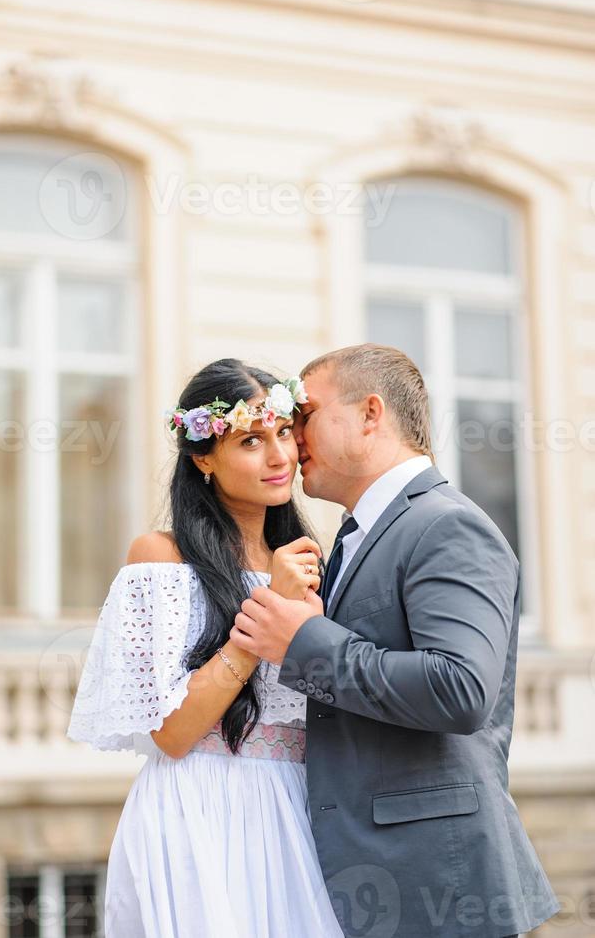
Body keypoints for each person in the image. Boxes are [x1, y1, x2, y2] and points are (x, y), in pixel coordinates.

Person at [230, 343, 561, 938]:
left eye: (305, 415)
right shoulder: (360, 535)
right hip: (366, 876)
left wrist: (304, 641)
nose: (291, 435)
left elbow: (460, 689)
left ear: (370, 414)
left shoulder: (445, 524)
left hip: (438, 883)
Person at [66, 358, 344, 938]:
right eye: (250, 440)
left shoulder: (311, 559)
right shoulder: (162, 559)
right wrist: (268, 610)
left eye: (284, 433)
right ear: (203, 458)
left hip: (299, 813)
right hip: (199, 812)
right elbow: (172, 733)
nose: (280, 457)